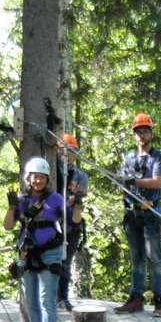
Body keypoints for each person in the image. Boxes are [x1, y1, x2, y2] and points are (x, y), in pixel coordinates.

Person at [4, 156, 67, 322]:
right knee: (30, 298)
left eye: (41, 177)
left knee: (46, 298)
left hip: (50, 251)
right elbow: (8, 226)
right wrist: (12, 207)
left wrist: (77, 206)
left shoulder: (55, 199)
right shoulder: (22, 200)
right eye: (34, 177)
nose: (37, 180)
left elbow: (73, 220)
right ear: (28, 178)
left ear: (47, 178)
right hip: (26, 252)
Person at [114, 112, 161, 317]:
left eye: (145, 131)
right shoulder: (128, 158)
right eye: (138, 132)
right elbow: (123, 183)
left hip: (151, 213)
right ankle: (136, 298)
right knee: (136, 258)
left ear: (151, 134)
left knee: (154, 258)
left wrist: (133, 182)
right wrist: (124, 183)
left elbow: (157, 181)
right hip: (132, 214)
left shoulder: (158, 156)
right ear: (134, 135)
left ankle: (160, 300)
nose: (141, 135)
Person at [57, 133, 89, 311]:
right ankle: (51, 296)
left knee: (66, 262)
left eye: (71, 152)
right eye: (64, 151)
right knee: (52, 261)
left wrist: (73, 198)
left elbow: (79, 196)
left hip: (71, 224)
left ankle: (63, 297)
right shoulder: (52, 172)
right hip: (53, 223)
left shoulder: (80, 176)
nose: (67, 155)